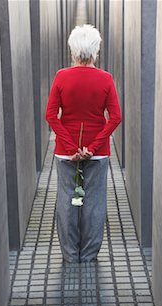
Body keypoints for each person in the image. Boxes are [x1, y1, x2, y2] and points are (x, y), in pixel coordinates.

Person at [45, 24, 122, 263]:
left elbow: (51, 115)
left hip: (65, 154)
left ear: (72, 50)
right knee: (94, 202)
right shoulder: (106, 79)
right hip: (97, 154)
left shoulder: (61, 77)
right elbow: (116, 117)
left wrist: (70, 147)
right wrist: (94, 147)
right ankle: (89, 254)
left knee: (68, 200)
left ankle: (69, 254)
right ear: (96, 50)